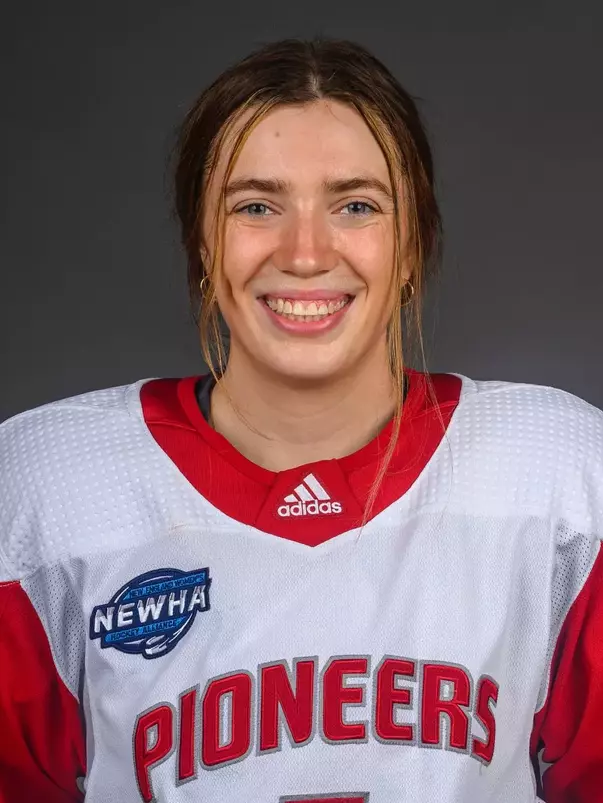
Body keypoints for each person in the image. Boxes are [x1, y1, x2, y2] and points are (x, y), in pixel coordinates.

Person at [0, 37, 601, 803]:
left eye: (356, 205)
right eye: (256, 206)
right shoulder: (48, 484)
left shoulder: (560, 476)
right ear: (201, 243)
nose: (306, 253)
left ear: (410, 244)